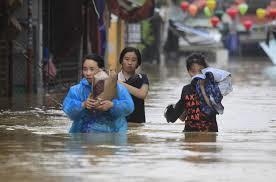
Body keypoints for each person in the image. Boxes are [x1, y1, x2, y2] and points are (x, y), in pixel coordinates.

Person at [63, 53, 134, 133]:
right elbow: (67, 109)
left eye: (92, 69)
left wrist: (112, 105)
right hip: (83, 134)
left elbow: (129, 107)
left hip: (113, 134)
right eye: (85, 69)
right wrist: (83, 105)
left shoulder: (117, 88)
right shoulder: (76, 90)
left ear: (101, 70)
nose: (88, 73)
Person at [164, 53, 232, 132]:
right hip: (189, 133)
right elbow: (182, 117)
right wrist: (172, 108)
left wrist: (202, 88)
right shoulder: (186, 89)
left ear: (206, 71)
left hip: (209, 132)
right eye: (193, 71)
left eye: (200, 71)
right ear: (189, 72)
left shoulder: (213, 88)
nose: (197, 74)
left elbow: (214, 108)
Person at [117, 47, 149, 123]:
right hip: (119, 125)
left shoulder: (142, 78)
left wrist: (119, 83)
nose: (130, 63)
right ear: (121, 60)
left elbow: (142, 94)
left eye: (133, 60)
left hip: (138, 125)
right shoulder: (114, 78)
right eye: (126, 59)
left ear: (138, 63)